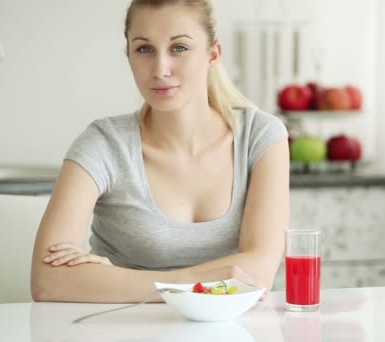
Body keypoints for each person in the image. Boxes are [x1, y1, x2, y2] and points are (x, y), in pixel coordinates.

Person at [30, 0, 289, 303]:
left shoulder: (261, 136)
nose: (160, 69)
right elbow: (47, 281)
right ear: (128, 55)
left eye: (179, 48)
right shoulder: (103, 144)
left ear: (212, 54)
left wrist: (116, 279)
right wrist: (192, 281)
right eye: (144, 49)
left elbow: (259, 271)